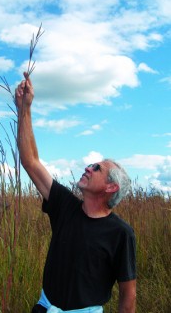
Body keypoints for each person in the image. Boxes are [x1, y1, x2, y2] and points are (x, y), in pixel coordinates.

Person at [15, 72, 136, 313]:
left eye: (97, 168)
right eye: (91, 164)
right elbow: (30, 161)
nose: (88, 167)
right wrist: (24, 109)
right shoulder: (65, 205)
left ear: (111, 187)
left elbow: (128, 293)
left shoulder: (120, 233)